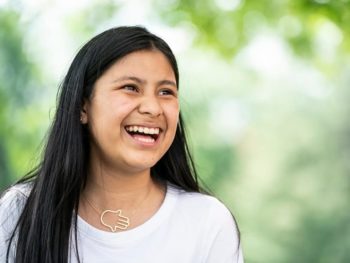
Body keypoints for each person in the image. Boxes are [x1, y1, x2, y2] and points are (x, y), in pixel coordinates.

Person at [0, 26, 243, 263]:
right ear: (83, 106)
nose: (152, 107)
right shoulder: (20, 212)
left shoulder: (208, 222)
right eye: (130, 88)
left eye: (166, 92)